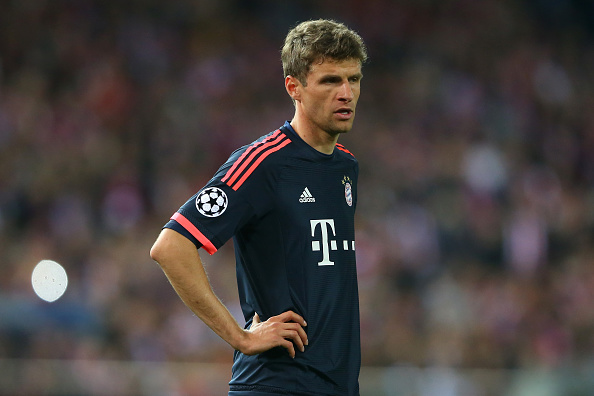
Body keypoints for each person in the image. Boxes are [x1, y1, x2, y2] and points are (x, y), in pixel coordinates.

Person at [150, 19, 367, 396]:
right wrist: (241, 337)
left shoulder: (346, 166)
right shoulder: (263, 163)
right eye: (330, 81)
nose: (346, 93)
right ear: (293, 87)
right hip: (276, 385)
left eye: (354, 79)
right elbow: (170, 247)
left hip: (338, 386)